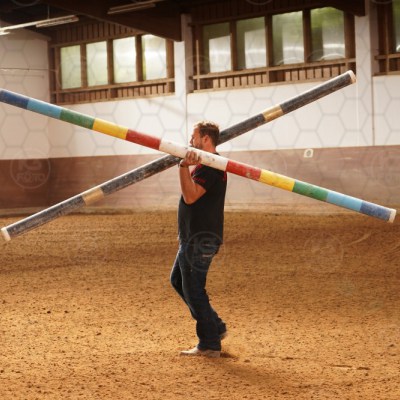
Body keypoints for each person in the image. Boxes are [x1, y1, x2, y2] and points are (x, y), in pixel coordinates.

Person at [170, 121, 227, 358]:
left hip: (199, 240)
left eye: (193, 137)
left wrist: (183, 166)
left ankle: (210, 343)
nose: (190, 141)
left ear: (205, 139)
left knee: (194, 289)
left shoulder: (212, 166)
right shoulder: (206, 164)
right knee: (177, 281)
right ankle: (216, 327)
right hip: (192, 238)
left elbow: (190, 197)